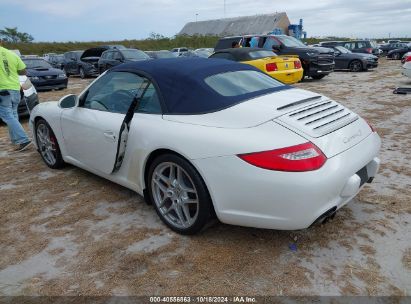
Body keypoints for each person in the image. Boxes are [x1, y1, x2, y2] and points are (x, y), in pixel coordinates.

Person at [0, 40, 31, 151]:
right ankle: (16, 140)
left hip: (2, 90)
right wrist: (10, 71)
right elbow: (23, 71)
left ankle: (23, 139)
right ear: (1, 42)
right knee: (12, 114)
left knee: (7, 116)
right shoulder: (12, 54)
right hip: (14, 88)